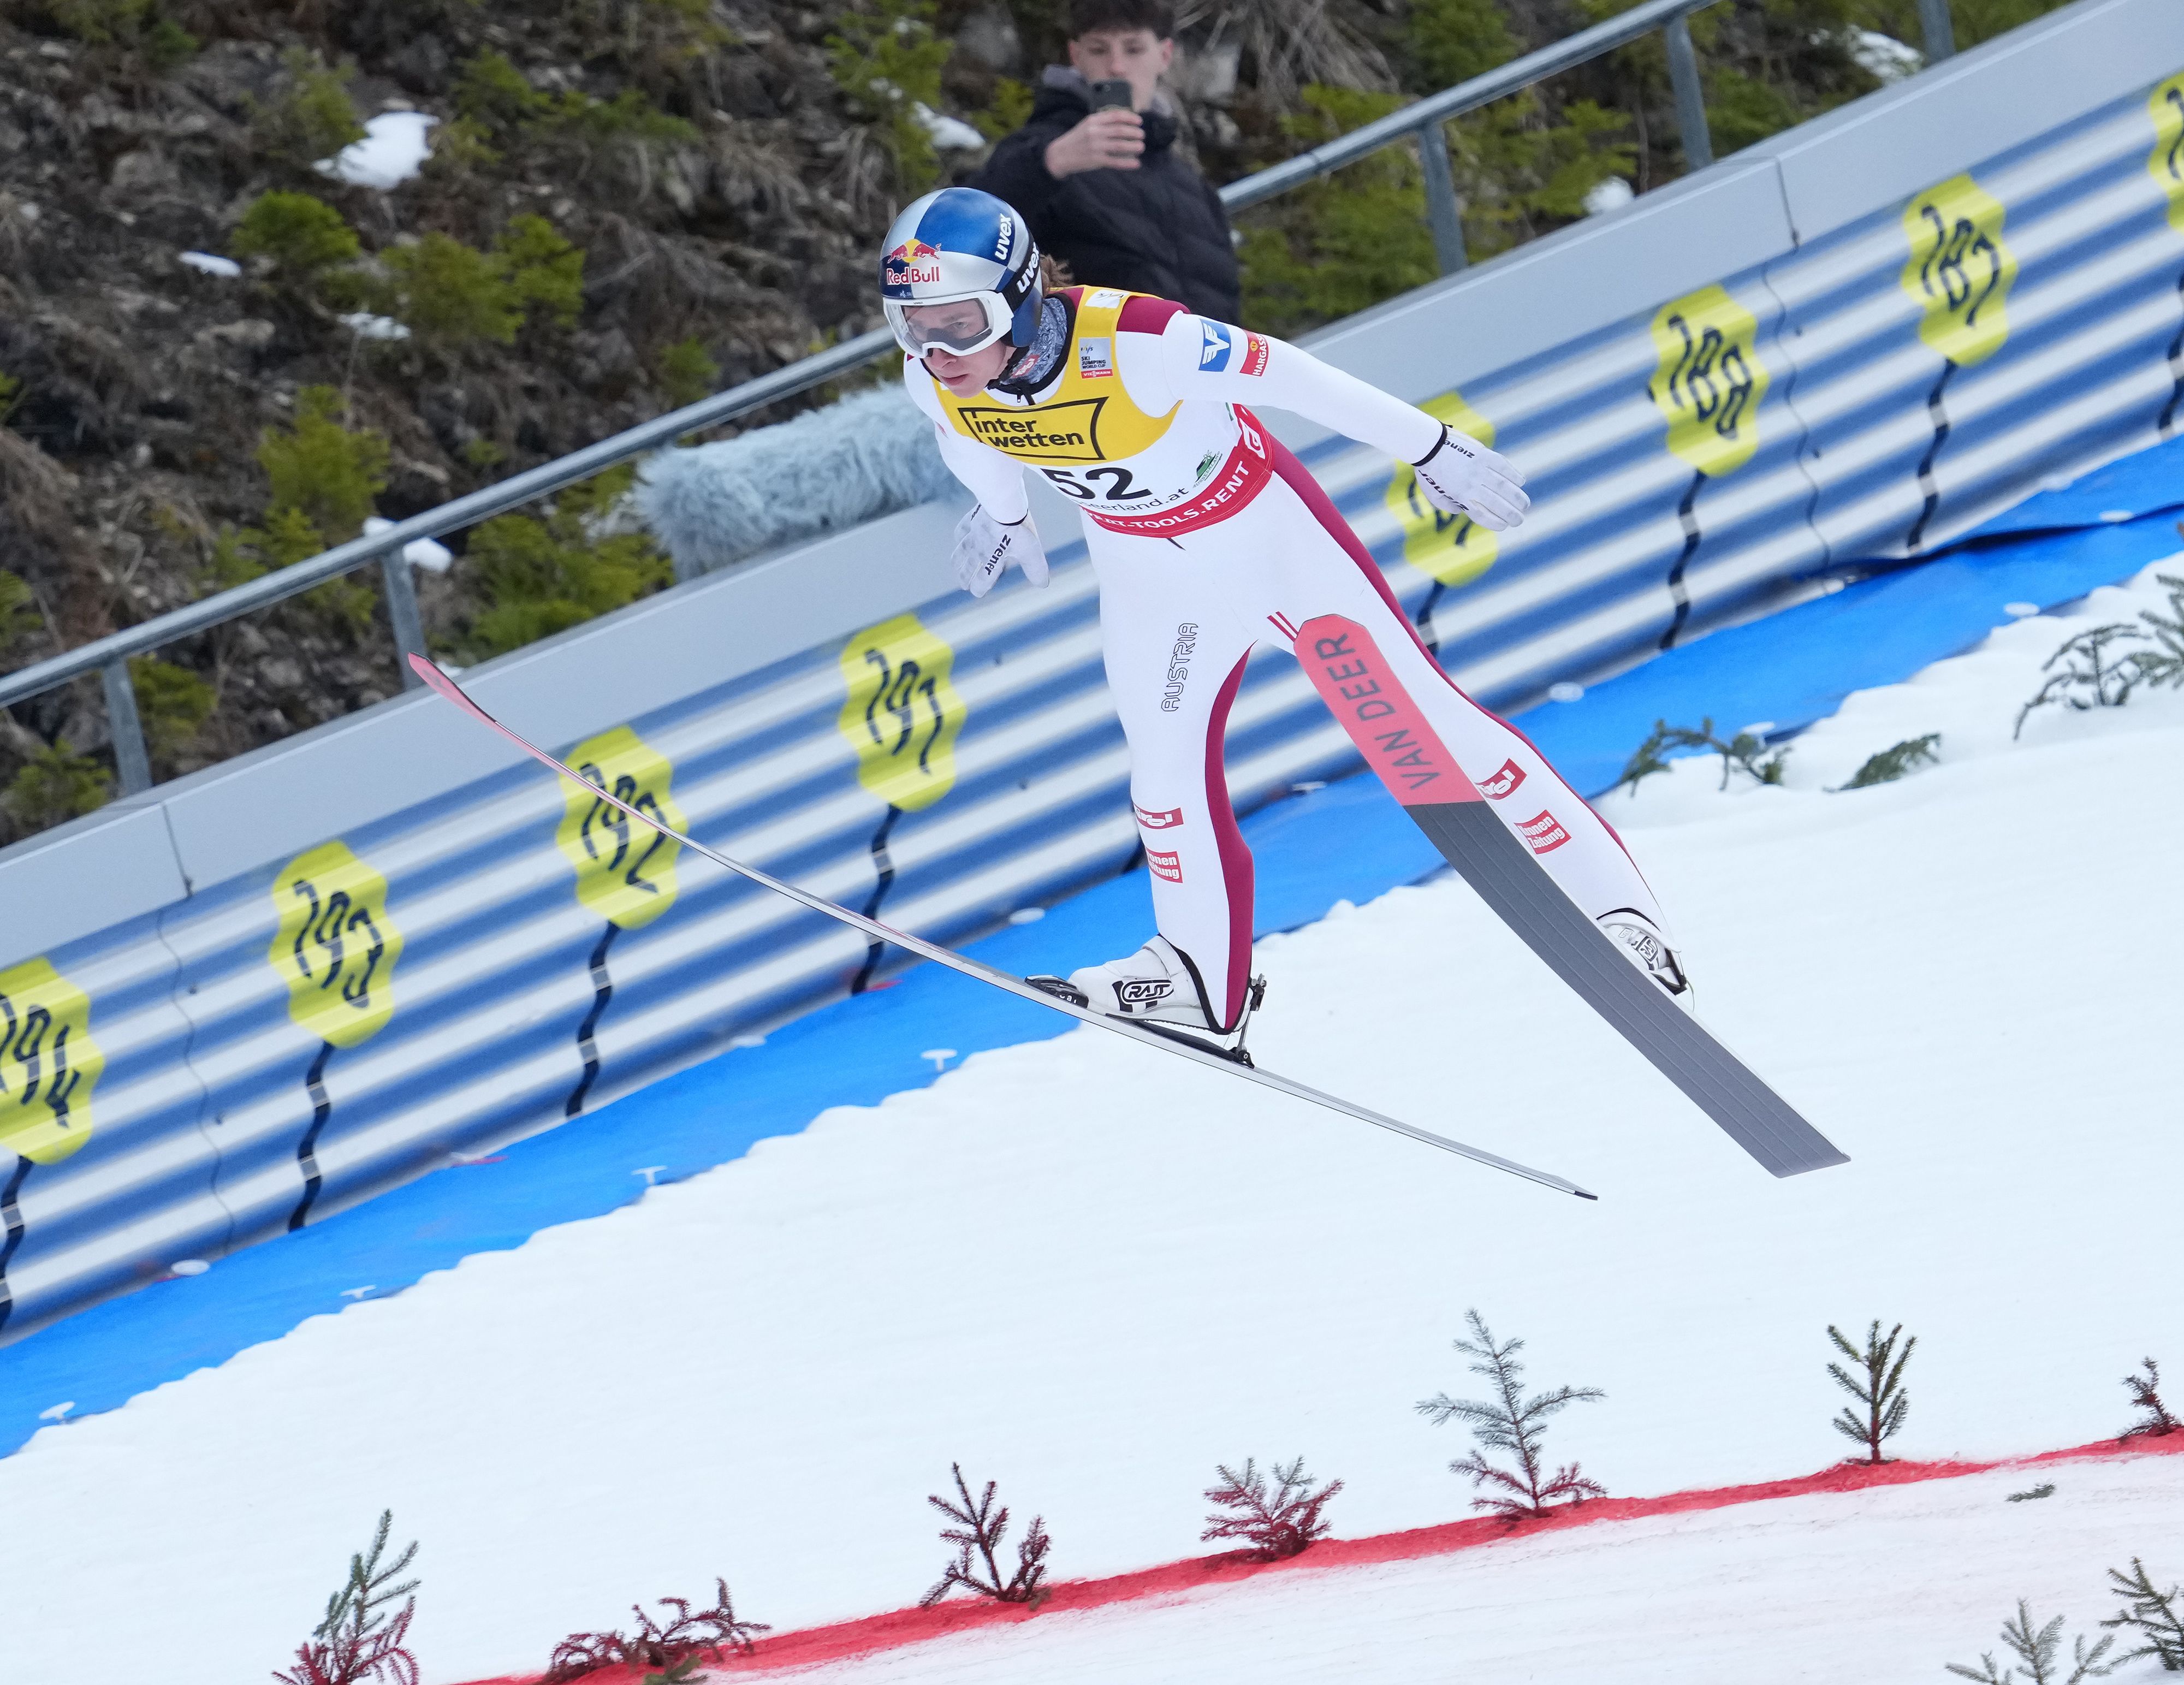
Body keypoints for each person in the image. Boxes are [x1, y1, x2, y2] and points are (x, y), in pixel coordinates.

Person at [880, 186, 1690, 1051]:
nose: (935, 349)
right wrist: (1005, 515)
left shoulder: (1143, 341)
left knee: (1433, 727)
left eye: (956, 322)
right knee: (1163, 779)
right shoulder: (936, 381)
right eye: (910, 325)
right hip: (1150, 575)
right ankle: (1198, 978)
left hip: (1266, 540)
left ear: (1017, 292)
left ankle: (1614, 910)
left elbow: (1295, 375)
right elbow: (966, 436)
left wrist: (1430, 446)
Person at [969, 0, 1240, 323]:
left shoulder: (1190, 184)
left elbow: (1222, 294)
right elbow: (973, 233)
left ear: (1165, 56)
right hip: (1095, 366)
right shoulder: (1039, 151)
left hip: (1200, 364)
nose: (1116, 67)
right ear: (1075, 56)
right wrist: (1049, 164)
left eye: (1134, 49)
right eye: (1099, 50)